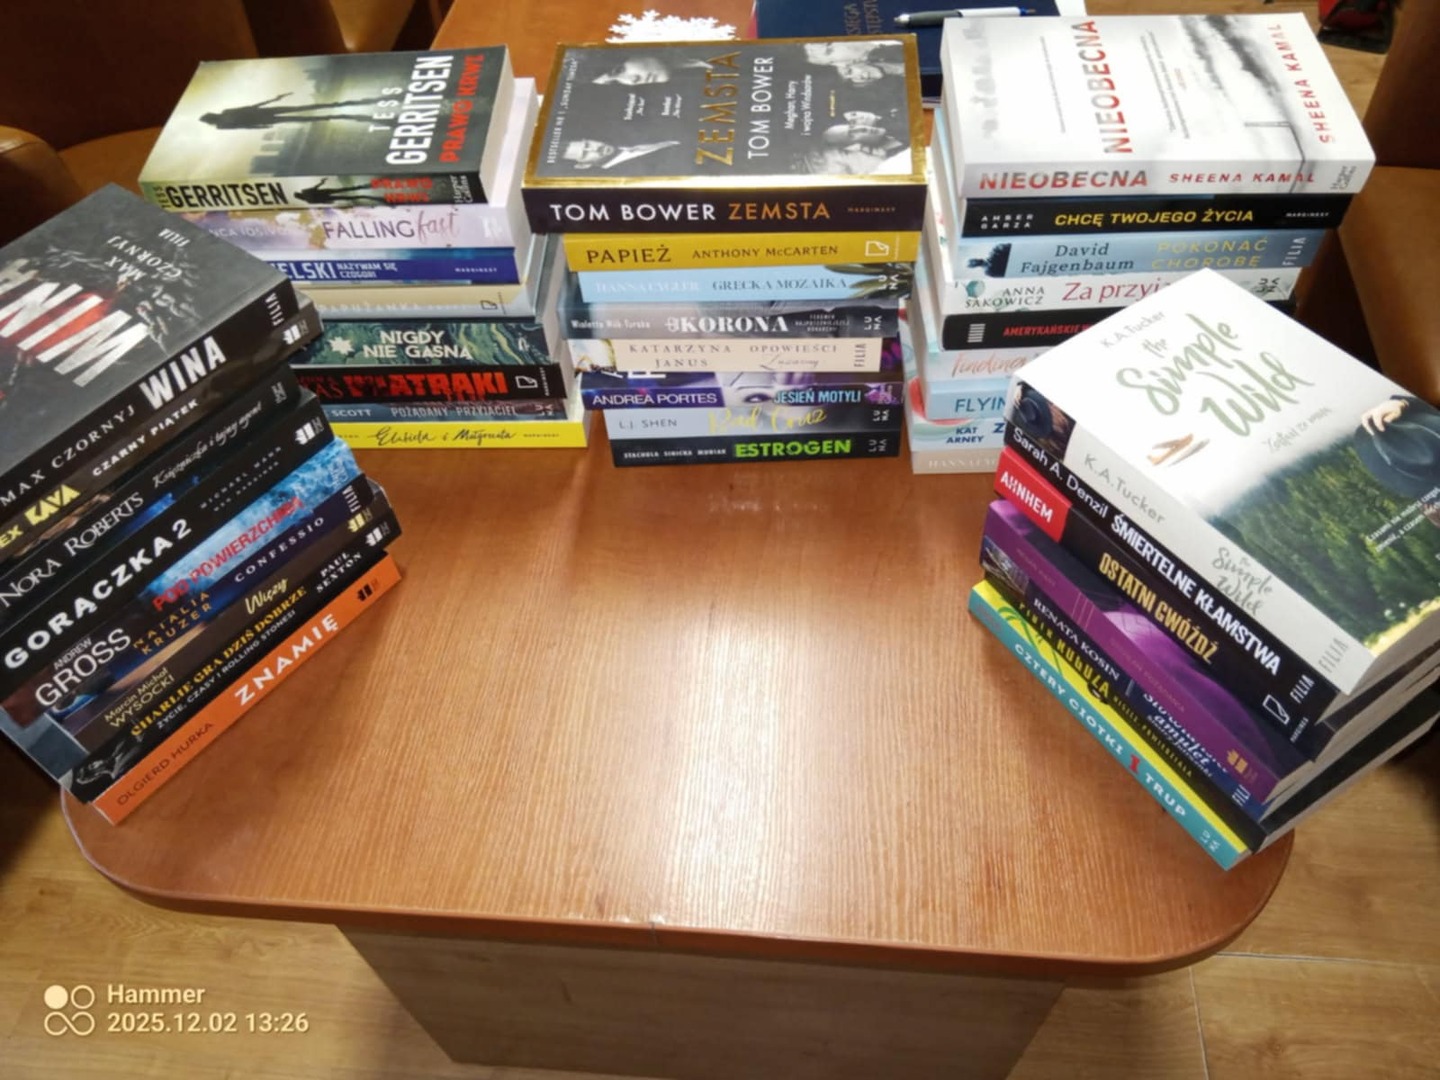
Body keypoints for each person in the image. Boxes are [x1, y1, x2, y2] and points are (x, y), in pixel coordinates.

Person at [561, 138, 679, 170]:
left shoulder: (623, 140)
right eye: (585, 154)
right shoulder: (622, 172)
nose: (595, 149)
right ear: (583, 165)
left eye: (587, 144)